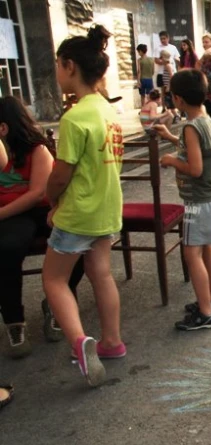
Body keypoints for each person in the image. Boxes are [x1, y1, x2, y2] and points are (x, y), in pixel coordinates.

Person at [43, 25, 126, 387]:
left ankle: (79, 344)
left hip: (78, 213)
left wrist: (51, 200)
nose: (57, 72)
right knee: (102, 274)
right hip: (108, 211)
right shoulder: (109, 113)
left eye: (59, 65)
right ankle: (111, 342)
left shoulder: (75, 118)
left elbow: (61, 176)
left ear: (70, 66)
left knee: (54, 279)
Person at [0, 97, 85, 357]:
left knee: (73, 246)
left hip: (41, 212)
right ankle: (14, 321)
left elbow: (37, 194)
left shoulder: (38, 150)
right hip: (14, 217)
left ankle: (58, 304)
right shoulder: (5, 150)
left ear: (4, 126)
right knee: (6, 249)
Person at [153, 69, 211, 330]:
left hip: (196, 200)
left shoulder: (191, 127)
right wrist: (171, 138)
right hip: (209, 197)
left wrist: (171, 160)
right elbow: (196, 151)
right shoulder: (204, 120)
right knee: (206, 249)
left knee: (191, 253)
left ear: (178, 99)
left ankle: (205, 313)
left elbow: (195, 168)